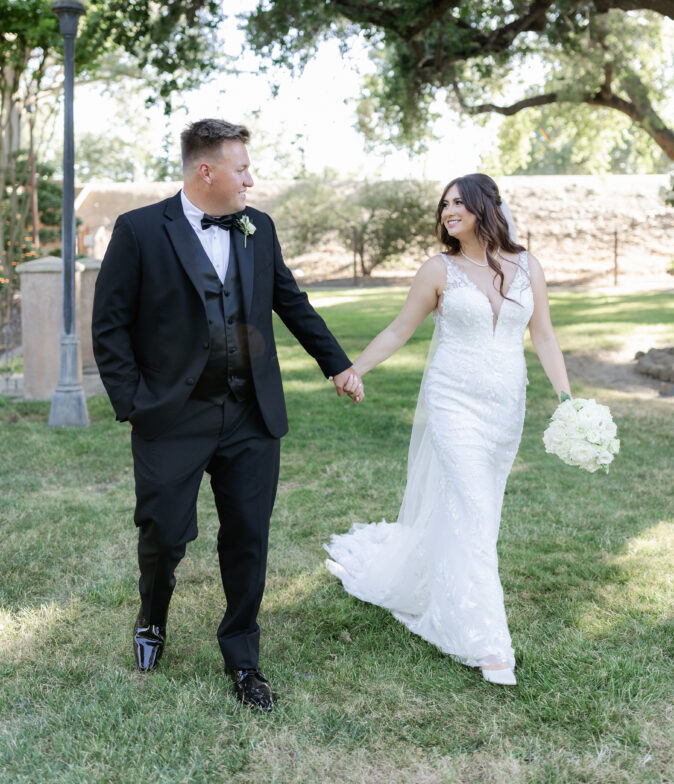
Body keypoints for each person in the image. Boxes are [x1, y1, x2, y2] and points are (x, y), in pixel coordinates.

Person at [92, 118, 362, 711]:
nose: (251, 178)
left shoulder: (257, 227)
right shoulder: (139, 230)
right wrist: (134, 405)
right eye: (242, 169)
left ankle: (243, 658)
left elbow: (289, 298)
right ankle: (152, 618)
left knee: (248, 537)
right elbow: (109, 325)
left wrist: (336, 365)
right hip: (172, 416)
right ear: (205, 171)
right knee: (164, 533)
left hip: (251, 414)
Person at [325, 173, 571, 686]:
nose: (448, 211)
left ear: (486, 206)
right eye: (444, 205)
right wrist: (356, 370)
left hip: (507, 406)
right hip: (452, 402)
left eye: (459, 202)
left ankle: (438, 580)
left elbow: (543, 335)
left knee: (479, 512)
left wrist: (567, 399)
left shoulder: (527, 266)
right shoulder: (438, 270)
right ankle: (487, 641)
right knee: (474, 508)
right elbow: (399, 328)